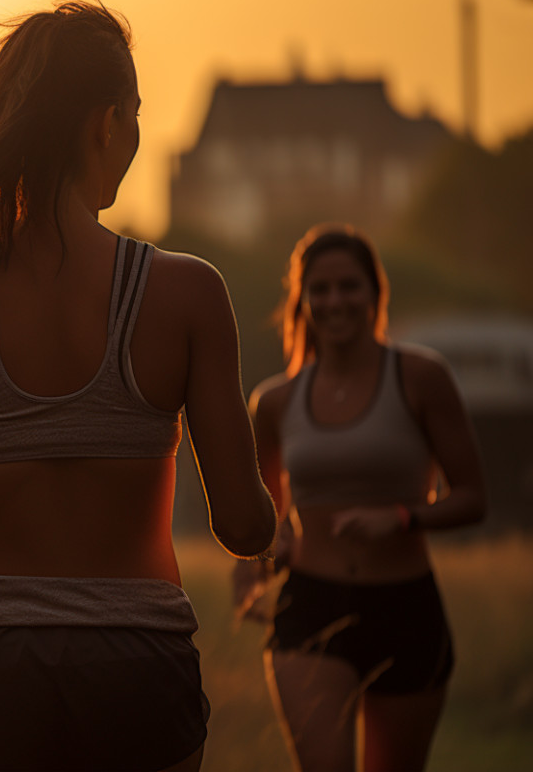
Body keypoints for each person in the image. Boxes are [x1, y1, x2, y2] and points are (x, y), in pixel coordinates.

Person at [0, 0, 277, 772]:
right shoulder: (187, 294)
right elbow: (243, 527)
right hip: (139, 666)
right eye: (136, 113)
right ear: (106, 122)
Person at [238, 224, 486, 772]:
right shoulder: (275, 402)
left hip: (407, 608)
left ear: (376, 293)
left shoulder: (421, 376)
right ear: (301, 301)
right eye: (319, 290)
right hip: (310, 607)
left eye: (349, 286)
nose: (334, 301)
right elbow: (267, 518)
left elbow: (472, 498)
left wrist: (401, 517)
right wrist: (254, 564)